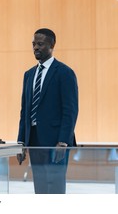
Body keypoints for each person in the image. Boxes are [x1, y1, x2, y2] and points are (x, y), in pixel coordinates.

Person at [16, 28, 78, 194]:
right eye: (34, 44)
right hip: (34, 140)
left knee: (55, 187)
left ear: (52, 45)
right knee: (40, 187)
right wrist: (21, 142)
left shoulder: (65, 73)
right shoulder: (28, 75)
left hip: (56, 142)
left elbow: (70, 110)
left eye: (40, 44)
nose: (35, 47)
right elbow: (25, 112)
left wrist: (63, 141)